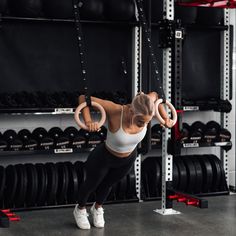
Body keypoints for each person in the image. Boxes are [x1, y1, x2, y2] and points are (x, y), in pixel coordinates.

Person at [73, 92, 173, 229]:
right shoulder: (115, 110)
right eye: (140, 121)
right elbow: (83, 98)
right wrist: (88, 121)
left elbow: (157, 95)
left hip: (127, 160)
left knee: (107, 185)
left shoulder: (145, 102)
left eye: (147, 122)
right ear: (132, 110)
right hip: (104, 157)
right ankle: (80, 208)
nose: (143, 125)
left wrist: (166, 118)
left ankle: (97, 209)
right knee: (92, 184)